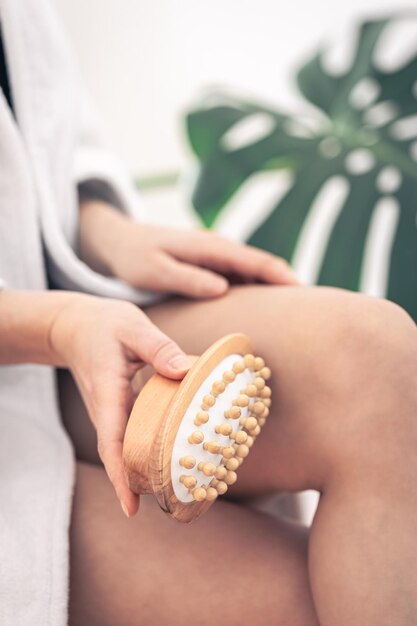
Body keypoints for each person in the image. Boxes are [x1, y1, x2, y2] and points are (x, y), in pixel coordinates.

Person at [0, 1, 416, 625]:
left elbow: (42, 124)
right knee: (297, 602)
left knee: (371, 355)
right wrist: (54, 327)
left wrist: (109, 231)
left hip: (55, 315)